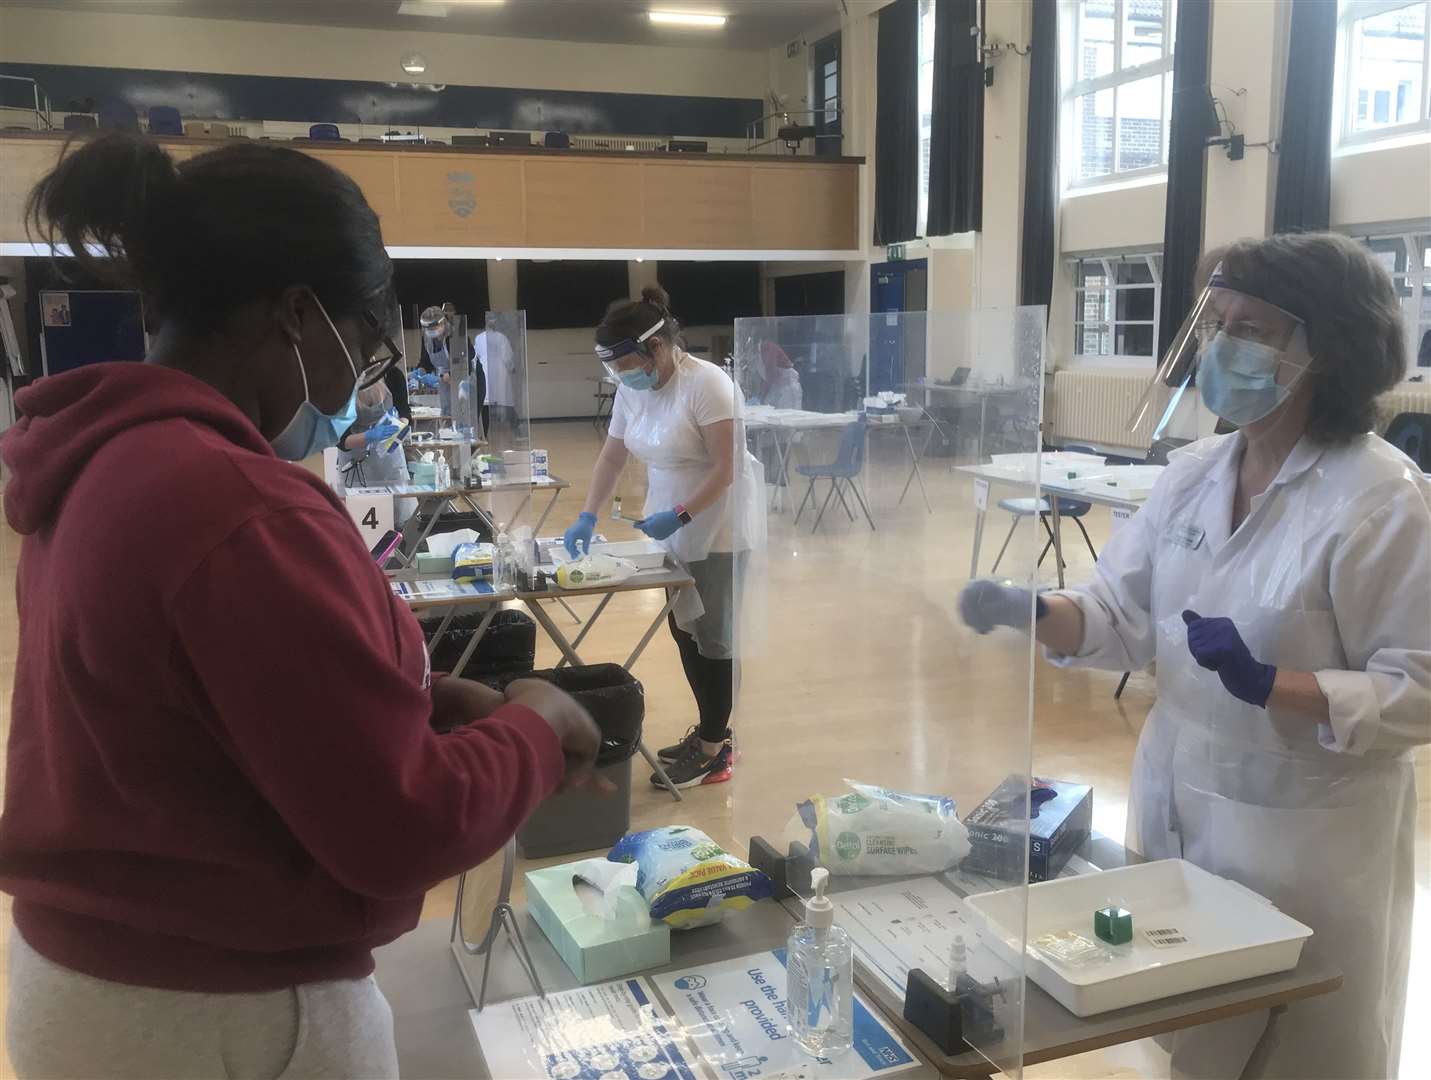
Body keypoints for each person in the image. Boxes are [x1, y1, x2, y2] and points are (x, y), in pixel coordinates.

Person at [0, 133, 602, 1078]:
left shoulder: (101, 461)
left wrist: (424, 699)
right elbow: (397, 830)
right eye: (363, 351)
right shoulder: (237, 507)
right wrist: (537, 722)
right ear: (296, 314)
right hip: (219, 1015)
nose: (356, 392)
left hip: (93, 988)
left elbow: (191, 706)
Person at [960, 232, 1430, 1078]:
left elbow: (1418, 690)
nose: (1222, 347)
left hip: (1307, 828)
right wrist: (1035, 610)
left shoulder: (1380, 501)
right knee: (1187, 1037)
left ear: (1326, 347)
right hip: (1177, 793)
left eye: (1252, 328)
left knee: (1303, 1047)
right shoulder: (1193, 470)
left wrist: (1271, 685)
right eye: (1215, 323)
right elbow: (1117, 614)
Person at [564, 286, 766, 789]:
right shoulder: (635, 389)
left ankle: (717, 747)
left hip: (720, 525)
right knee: (684, 631)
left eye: (628, 363)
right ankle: (708, 732)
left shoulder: (709, 386)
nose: (624, 376)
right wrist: (587, 516)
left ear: (657, 348)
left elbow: (726, 469)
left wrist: (679, 514)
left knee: (714, 638)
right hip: (671, 522)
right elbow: (612, 456)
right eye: (615, 368)